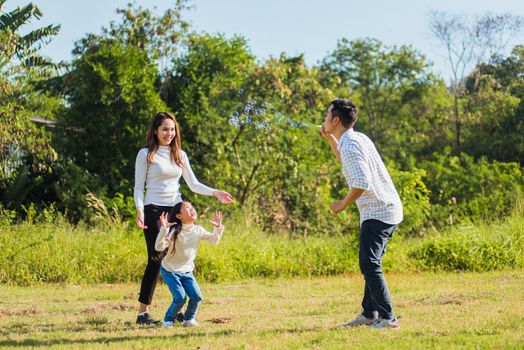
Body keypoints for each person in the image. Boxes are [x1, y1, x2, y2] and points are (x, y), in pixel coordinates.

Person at [134, 111, 233, 325]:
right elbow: (138, 188)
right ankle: (143, 313)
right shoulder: (146, 154)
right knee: (156, 258)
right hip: (153, 211)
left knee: (177, 255)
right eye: (164, 129)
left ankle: (177, 308)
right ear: (155, 131)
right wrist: (140, 210)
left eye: (172, 129)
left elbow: (193, 184)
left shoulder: (180, 154)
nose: (169, 133)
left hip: (175, 210)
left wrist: (215, 191)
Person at [320, 99, 403, 329]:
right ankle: (370, 313)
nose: (324, 119)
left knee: (369, 264)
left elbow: (361, 182)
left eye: (327, 115)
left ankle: (388, 318)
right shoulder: (356, 138)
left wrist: (342, 204)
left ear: (335, 120)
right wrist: (331, 140)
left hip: (378, 211)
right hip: (386, 208)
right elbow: (348, 162)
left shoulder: (350, 145)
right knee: (371, 263)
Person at [155, 201, 223, 328]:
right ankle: (168, 320)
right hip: (170, 270)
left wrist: (218, 228)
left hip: (187, 271)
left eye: (192, 207)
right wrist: (164, 230)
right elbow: (159, 247)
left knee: (197, 297)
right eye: (187, 208)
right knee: (180, 297)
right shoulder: (174, 231)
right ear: (179, 216)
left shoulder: (198, 230)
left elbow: (214, 240)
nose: (192, 209)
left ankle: (189, 319)